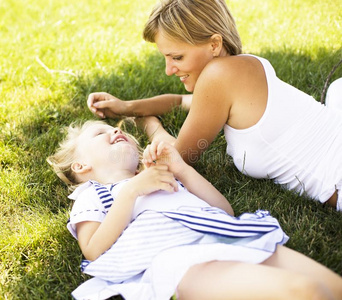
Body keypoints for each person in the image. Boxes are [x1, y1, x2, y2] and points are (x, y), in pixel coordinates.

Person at [87, 0, 342, 212]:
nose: (168, 70)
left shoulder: (218, 76)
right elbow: (180, 102)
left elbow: (177, 158)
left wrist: (148, 122)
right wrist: (127, 106)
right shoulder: (243, 65)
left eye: (177, 57)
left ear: (214, 44)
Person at [47, 120, 342, 300]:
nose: (115, 129)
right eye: (102, 133)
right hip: (181, 260)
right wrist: (134, 189)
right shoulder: (92, 194)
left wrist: (182, 169)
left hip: (232, 236)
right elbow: (93, 250)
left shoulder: (162, 176)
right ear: (81, 167)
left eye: (119, 128)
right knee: (307, 293)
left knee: (334, 289)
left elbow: (223, 211)